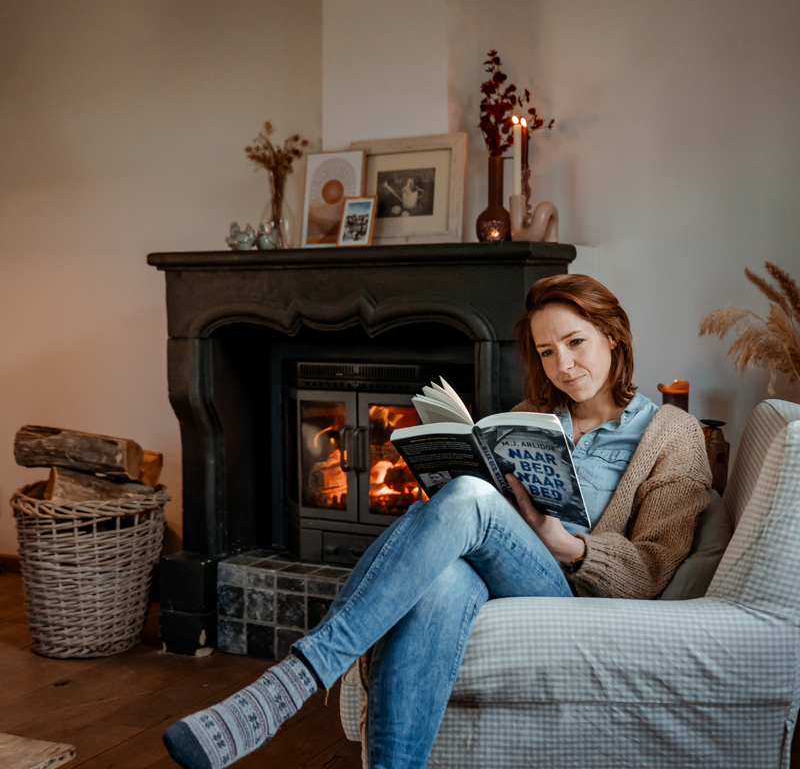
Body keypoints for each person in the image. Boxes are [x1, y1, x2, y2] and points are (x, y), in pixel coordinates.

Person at [162, 274, 711, 769]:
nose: (563, 366)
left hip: (572, 592)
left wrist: (565, 545)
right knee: (443, 574)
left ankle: (293, 681)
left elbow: (652, 569)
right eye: (546, 352)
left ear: (612, 336)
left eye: (575, 343)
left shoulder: (672, 433)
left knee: (468, 495)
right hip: (500, 575)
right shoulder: (525, 419)